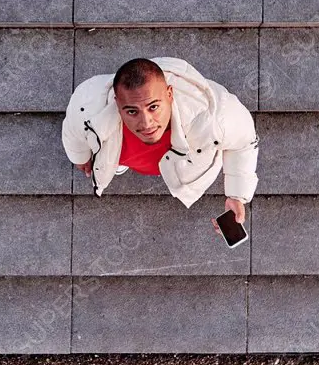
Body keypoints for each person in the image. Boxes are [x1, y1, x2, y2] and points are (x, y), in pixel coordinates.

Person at [61, 57, 259, 238]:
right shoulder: (87, 105)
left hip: (185, 162)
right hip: (125, 151)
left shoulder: (216, 117)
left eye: (153, 107)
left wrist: (236, 194)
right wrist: (79, 156)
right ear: (117, 103)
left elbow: (245, 141)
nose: (146, 123)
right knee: (109, 150)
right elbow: (72, 131)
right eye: (131, 111)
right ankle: (117, 162)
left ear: (170, 94)